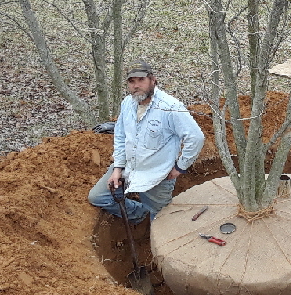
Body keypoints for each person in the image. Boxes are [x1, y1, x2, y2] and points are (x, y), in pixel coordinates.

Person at [88, 59, 205, 226]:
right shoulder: (128, 103)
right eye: (132, 81)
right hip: (129, 167)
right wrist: (118, 168)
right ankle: (140, 214)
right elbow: (121, 136)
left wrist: (180, 167)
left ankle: (155, 227)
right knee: (98, 196)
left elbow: (196, 137)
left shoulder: (170, 107)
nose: (136, 86)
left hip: (157, 176)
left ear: (152, 79)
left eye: (141, 80)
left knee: (161, 222)